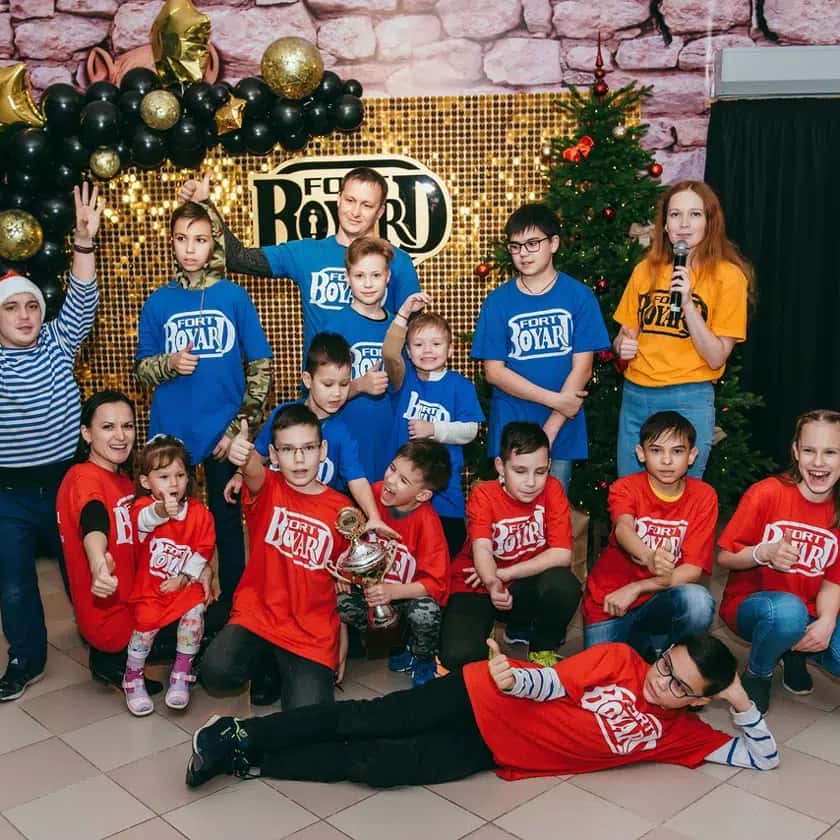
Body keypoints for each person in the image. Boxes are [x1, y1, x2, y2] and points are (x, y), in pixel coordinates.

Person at [185, 633, 779, 790]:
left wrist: (741, 701)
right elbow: (554, 682)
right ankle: (237, 731)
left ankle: (248, 760)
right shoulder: (622, 660)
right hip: (483, 693)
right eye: (666, 662)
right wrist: (515, 679)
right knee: (367, 719)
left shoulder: (683, 735)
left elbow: (763, 760)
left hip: (495, 748)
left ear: (698, 700)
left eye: (678, 684)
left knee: (378, 768)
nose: (660, 679)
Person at [135, 199, 273, 605]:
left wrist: (237, 429)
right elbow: (141, 369)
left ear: (213, 242)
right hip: (171, 434)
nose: (190, 248)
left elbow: (262, 367)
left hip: (222, 434)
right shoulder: (158, 301)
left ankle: (233, 605)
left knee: (227, 523)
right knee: (170, 523)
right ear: (172, 243)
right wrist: (169, 363)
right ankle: (170, 604)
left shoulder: (234, 297)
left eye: (199, 239)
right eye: (181, 239)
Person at [0, 182, 102, 701]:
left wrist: (83, 242)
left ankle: (105, 648)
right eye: (11, 308)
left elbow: (81, 299)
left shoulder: (58, 343)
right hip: (8, 494)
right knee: (15, 583)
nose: (24, 315)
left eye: (32, 306)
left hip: (66, 485)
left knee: (84, 570)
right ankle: (25, 659)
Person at [177, 168, 421, 365]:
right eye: (350, 200)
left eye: (367, 205)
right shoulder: (305, 253)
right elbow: (237, 258)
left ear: (380, 211)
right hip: (320, 394)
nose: (355, 212)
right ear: (338, 199)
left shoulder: (398, 261)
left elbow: (414, 337)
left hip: (380, 393)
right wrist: (205, 206)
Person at [199, 404, 351, 710]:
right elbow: (254, 471)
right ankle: (267, 665)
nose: (299, 459)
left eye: (308, 448)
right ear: (274, 454)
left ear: (323, 450)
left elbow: (341, 581)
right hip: (259, 617)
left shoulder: (343, 511)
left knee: (308, 722)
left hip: (311, 632)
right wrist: (244, 457)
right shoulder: (269, 487)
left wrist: (342, 634)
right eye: (288, 449)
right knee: (216, 672)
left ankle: (286, 671)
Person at [57, 391, 209, 695]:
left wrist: (199, 568)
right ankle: (112, 659)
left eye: (127, 426)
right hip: (117, 621)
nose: (120, 436)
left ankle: (115, 659)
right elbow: (93, 517)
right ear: (86, 433)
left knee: (210, 604)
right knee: (218, 627)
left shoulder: (125, 482)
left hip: (140, 601)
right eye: (108, 427)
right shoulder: (83, 477)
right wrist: (98, 563)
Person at [613, 180, 753, 478]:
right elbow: (625, 335)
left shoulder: (729, 277)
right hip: (636, 395)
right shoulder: (645, 270)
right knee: (629, 494)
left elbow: (716, 357)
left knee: (681, 497)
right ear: (665, 225)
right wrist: (622, 345)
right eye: (675, 215)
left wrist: (688, 303)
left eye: (695, 214)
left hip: (687, 397)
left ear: (710, 222)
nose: (684, 224)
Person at [471, 203, 609, 492]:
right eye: (515, 246)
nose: (523, 253)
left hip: (560, 426)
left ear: (554, 243)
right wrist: (556, 400)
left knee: (553, 510)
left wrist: (552, 426)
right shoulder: (497, 302)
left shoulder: (579, 297)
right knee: (510, 513)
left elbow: (583, 369)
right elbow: (494, 372)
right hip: (513, 424)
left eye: (533, 244)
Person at [718, 409, 840, 713]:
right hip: (755, 607)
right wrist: (763, 553)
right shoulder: (767, 493)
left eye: (830, 452)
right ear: (796, 452)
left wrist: (826, 622)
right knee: (788, 612)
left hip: (811, 610)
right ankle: (758, 673)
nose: (818, 462)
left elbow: (833, 581)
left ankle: (794, 652)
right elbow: (725, 557)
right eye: (809, 450)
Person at [439, 422, 581, 671]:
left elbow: (562, 554)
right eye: (520, 471)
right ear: (500, 466)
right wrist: (492, 581)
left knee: (563, 585)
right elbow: (482, 548)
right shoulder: (484, 494)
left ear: (549, 465)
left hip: (521, 584)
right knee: (458, 657)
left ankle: (541, 647)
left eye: (540, 472)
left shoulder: (553, 489)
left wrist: (504, 574)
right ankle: (485, 630)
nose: (531, 482)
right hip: (476, 584)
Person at [582, 411, 717, 655]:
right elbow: (623, 528)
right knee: (600, 674)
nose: (666, 460)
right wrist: (648, 556)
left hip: (657, 599)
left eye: (677, 451)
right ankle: (643, 648)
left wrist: (637, 587)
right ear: (641, 453)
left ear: (692, 456)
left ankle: (667, 661)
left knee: (698, 601)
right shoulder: (626, 487)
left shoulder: (703, 496)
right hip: (611, 601)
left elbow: (692, 570)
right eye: (656, 450)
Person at [240, 331, 396, 539]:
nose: (337, 393)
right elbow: (259, 456)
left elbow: (357, 478)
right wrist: (240, 474)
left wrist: (374, 516)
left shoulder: (342, 432)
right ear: (307, 380)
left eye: (344, 384)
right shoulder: (282, 414)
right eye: (328, 384)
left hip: (316, 524)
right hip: (280, 516)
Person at [337, 439, 451, 688]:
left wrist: (393, 592)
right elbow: (349, 539)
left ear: (422, 495)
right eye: (392, 468)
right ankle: (397, 649)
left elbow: (436, 584)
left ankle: (423, 658)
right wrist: (342, 575)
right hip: (372, 592)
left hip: (406, 596)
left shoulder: (428, 523)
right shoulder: (373, 495)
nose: (390, 480)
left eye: (403, 480)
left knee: (425, 611)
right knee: (340, 602)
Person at [382, 292, 483, 558]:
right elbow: (389, 353)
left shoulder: (461, 386)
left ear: (450, 350)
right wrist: (403, 312)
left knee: (442, 554)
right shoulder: (403, 380)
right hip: (402, 491)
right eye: (418, 344)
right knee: (401, 556)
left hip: (443, 494)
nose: (427, 350)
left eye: (436, 344)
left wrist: (435, 430)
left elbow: (471, 430)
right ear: (408, 351)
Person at [123, 435, 214, 715]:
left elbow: (203, 550)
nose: (173, 483)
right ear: (146, 481)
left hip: (184, 585)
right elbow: (145, 520)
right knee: (145, 626)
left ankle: (182, 672)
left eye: (179, 475)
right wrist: (163, 509)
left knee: (195, 611)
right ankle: (132, 676)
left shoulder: (200, 513)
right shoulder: (141, 508)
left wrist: (184, 579)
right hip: (151, 588)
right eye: (163, 477)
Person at [322, 236, 396, 483]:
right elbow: (317, 394)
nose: (368, 283)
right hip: (347, 442)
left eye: (376, 275)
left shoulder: (397, 327)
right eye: (359, 275)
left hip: (388, 443)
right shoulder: (333, 328)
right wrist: (359, 386)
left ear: (387, 276)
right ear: (347, 277)